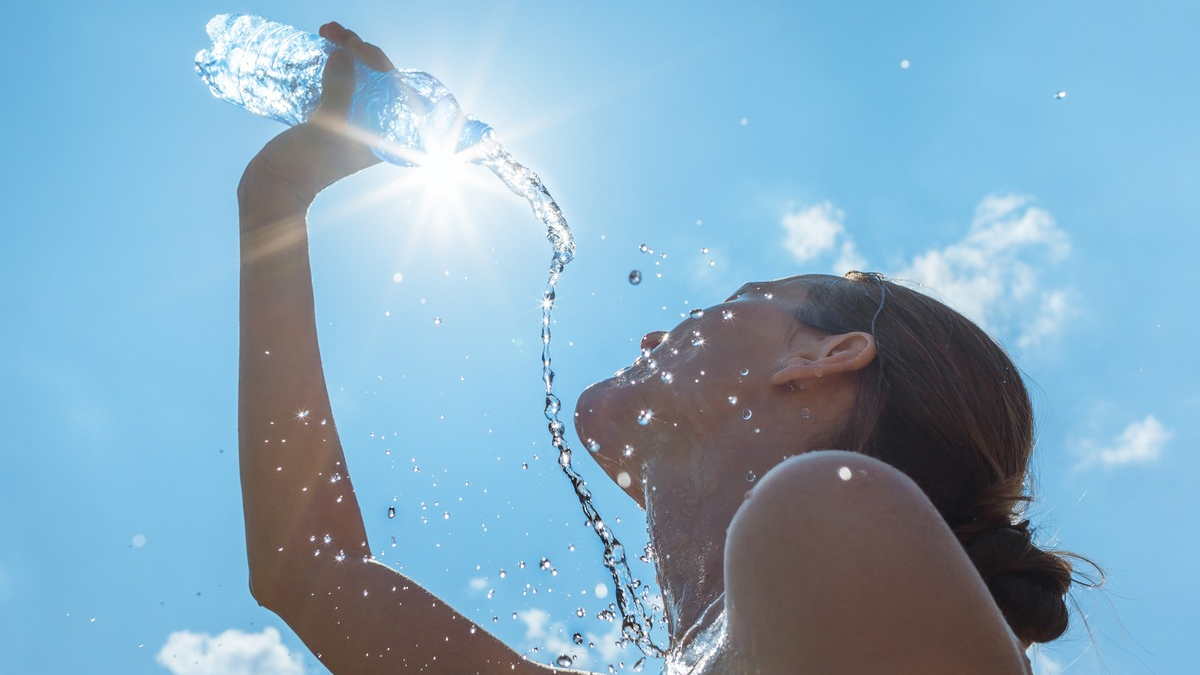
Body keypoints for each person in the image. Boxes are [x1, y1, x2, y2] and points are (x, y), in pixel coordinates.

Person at [235, 23, 1088, 675]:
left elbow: (313, 576)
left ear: (825, 356)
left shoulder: (833, 505)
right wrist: (275, 204)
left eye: (736, 300)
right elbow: (311, 574)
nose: (653, 333)